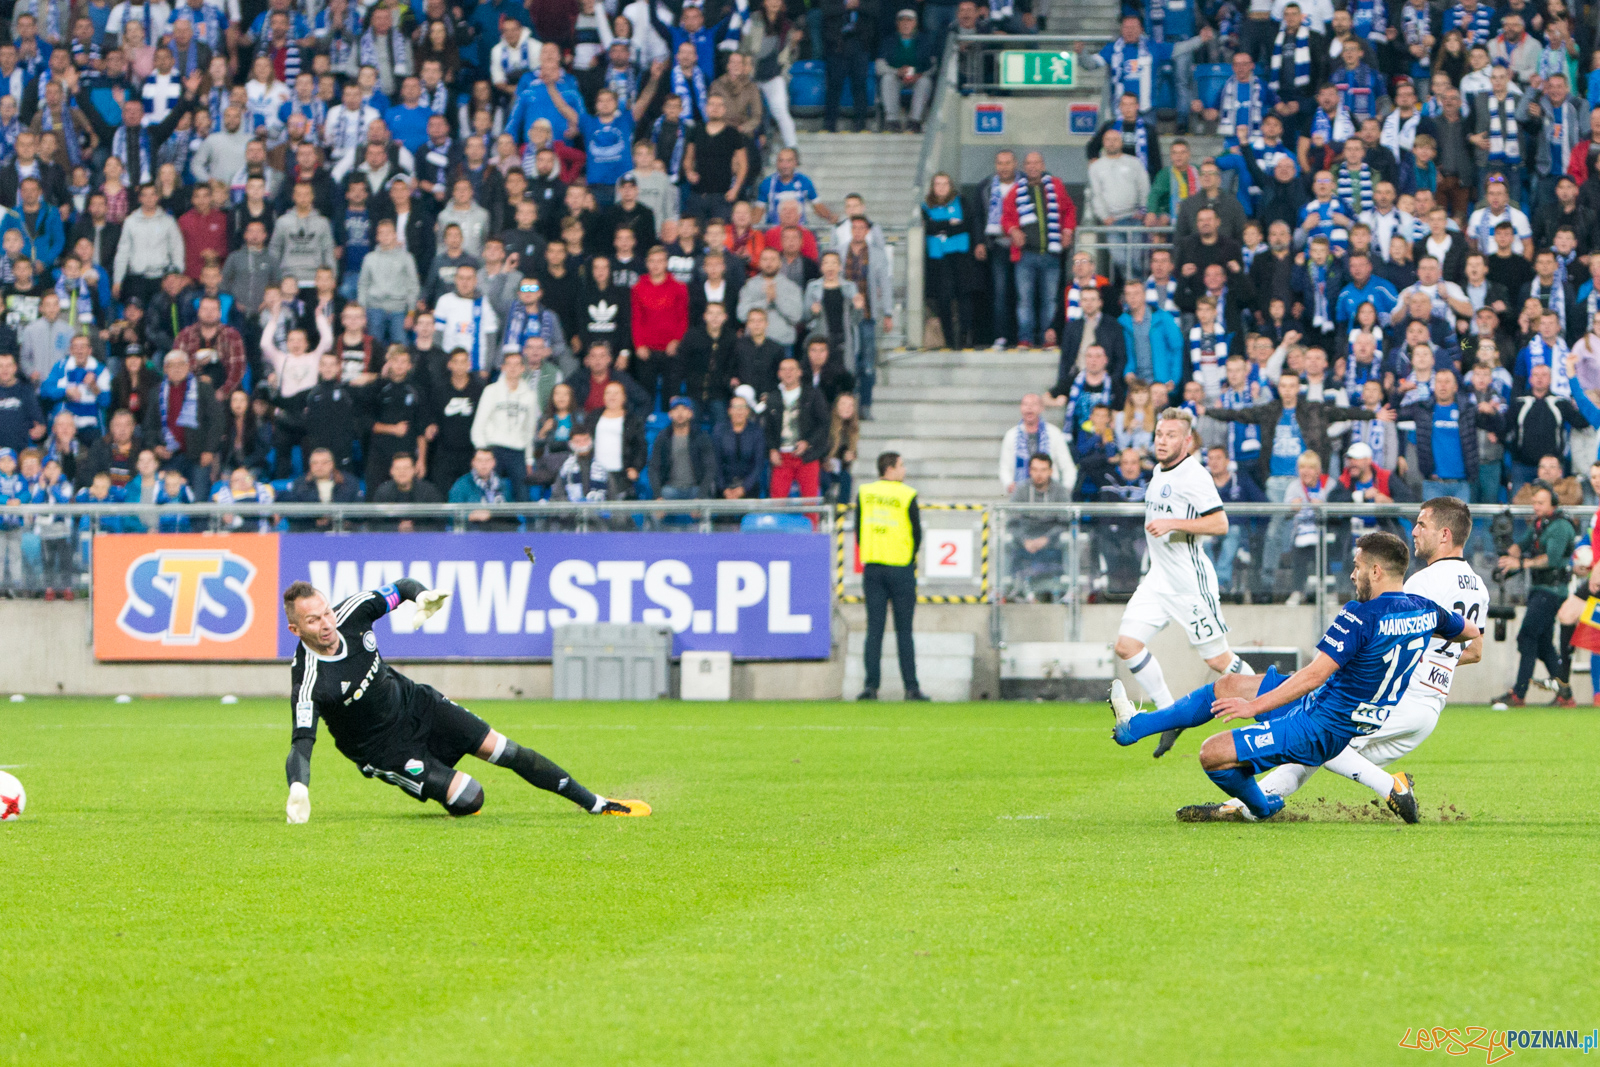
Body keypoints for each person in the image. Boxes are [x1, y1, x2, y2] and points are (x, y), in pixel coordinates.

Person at [1112, 530, 1476, 821]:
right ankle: (1136, 729)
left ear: (1376, 572)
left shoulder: (1360, 615)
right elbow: (1470, 632)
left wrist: (1252, 706)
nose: (1352, 574)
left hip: (1321, 725)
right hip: (1332, 707)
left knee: (1212, 754)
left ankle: (1262, 806)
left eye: (1358, 567)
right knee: (1227, 684)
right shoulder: (1427, 610)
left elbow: (1312, 676)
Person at [281, 578, 649, 822]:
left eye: (326, 612)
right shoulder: (310, 679)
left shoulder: (353, 612)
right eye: (313, 621)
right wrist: (299, 787)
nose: (327, 623)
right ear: (295, 629)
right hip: (383, 749)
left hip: (417, 704)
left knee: (506, 750)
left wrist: (422, 595)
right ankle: (443, 782)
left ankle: (597, 804)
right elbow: (301, 743)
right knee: (472, 797)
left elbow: (402, 587)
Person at [1110, 407, 1255, 757]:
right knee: (1126, 645)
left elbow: (1220, 524)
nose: (1162, 441)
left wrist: (1175, 523)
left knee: (1219, 661)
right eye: (1159, 434)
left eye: (1171, 435)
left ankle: (1272, 705)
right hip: (1158, 580)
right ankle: (1167, 713)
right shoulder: (1159, 471)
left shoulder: (1194, 475)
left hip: (1190, 584)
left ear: (1187, 440)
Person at [1493, 483, 1579, 706]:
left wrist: (1519, 563)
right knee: (1543, 644)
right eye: (1534, 502)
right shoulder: (1541, 524)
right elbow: (1521, 545)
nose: (1536, 506)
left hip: (1552, 591)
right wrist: (1506, 554)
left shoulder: (1560, 526)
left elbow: (1550, 559)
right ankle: (1564, 694)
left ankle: (1519, 693)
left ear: (1552, 503)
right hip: (1540, 589)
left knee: (1527, 636)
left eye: (1540, 502)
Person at [855, 450, 928, 702]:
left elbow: (859, 529)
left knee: (874, 629)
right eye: (901, 465)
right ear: (890, 469)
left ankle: (870, 686)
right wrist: (908, 554)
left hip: (873, 567)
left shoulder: (865, 493)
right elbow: (917, 531)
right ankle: (911, 688)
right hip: (900, 567)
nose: (904, 470)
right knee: (904, 631)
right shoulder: (907, 494)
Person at [763, 354, 827, 498]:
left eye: (792, 369)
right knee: (777, 501)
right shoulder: (773, 397)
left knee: (810, 500)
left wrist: (808, 442)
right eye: (784, 369)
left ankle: (812, 522)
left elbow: (823, 423)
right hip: (781, 457)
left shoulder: (813, 394)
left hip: (807, 456)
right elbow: (768, 428)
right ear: (779, 374)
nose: (788, 373)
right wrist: (772, 449)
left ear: (800, 372)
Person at [646, 395, 715, 499]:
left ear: (690, 413)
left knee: (706, 509)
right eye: (676, 409)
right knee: (653, 513)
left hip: (696, 489)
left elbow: (710, 468)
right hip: (670, 489)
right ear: (670, 414)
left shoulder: (701, 437)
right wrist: (658, 496)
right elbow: (653, 468)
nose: (680, 413)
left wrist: (701, 496)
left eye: (684, 409)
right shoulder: (663, 437)